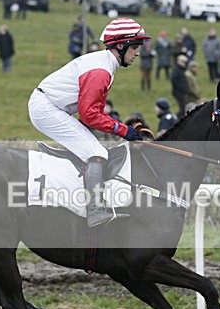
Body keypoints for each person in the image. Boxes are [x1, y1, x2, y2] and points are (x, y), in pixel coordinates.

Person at [28, 17, 147, 227]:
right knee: (97, 152)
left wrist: (120, 127)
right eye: (135, 47)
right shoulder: (101, 71)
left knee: (93, 147)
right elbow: (89, 115)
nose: (138, 53)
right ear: (121, 45)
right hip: (47, 109)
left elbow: (95, 111)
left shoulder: (105, 64)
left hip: (52, 106)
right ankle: (95, 211)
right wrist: (122, 129)